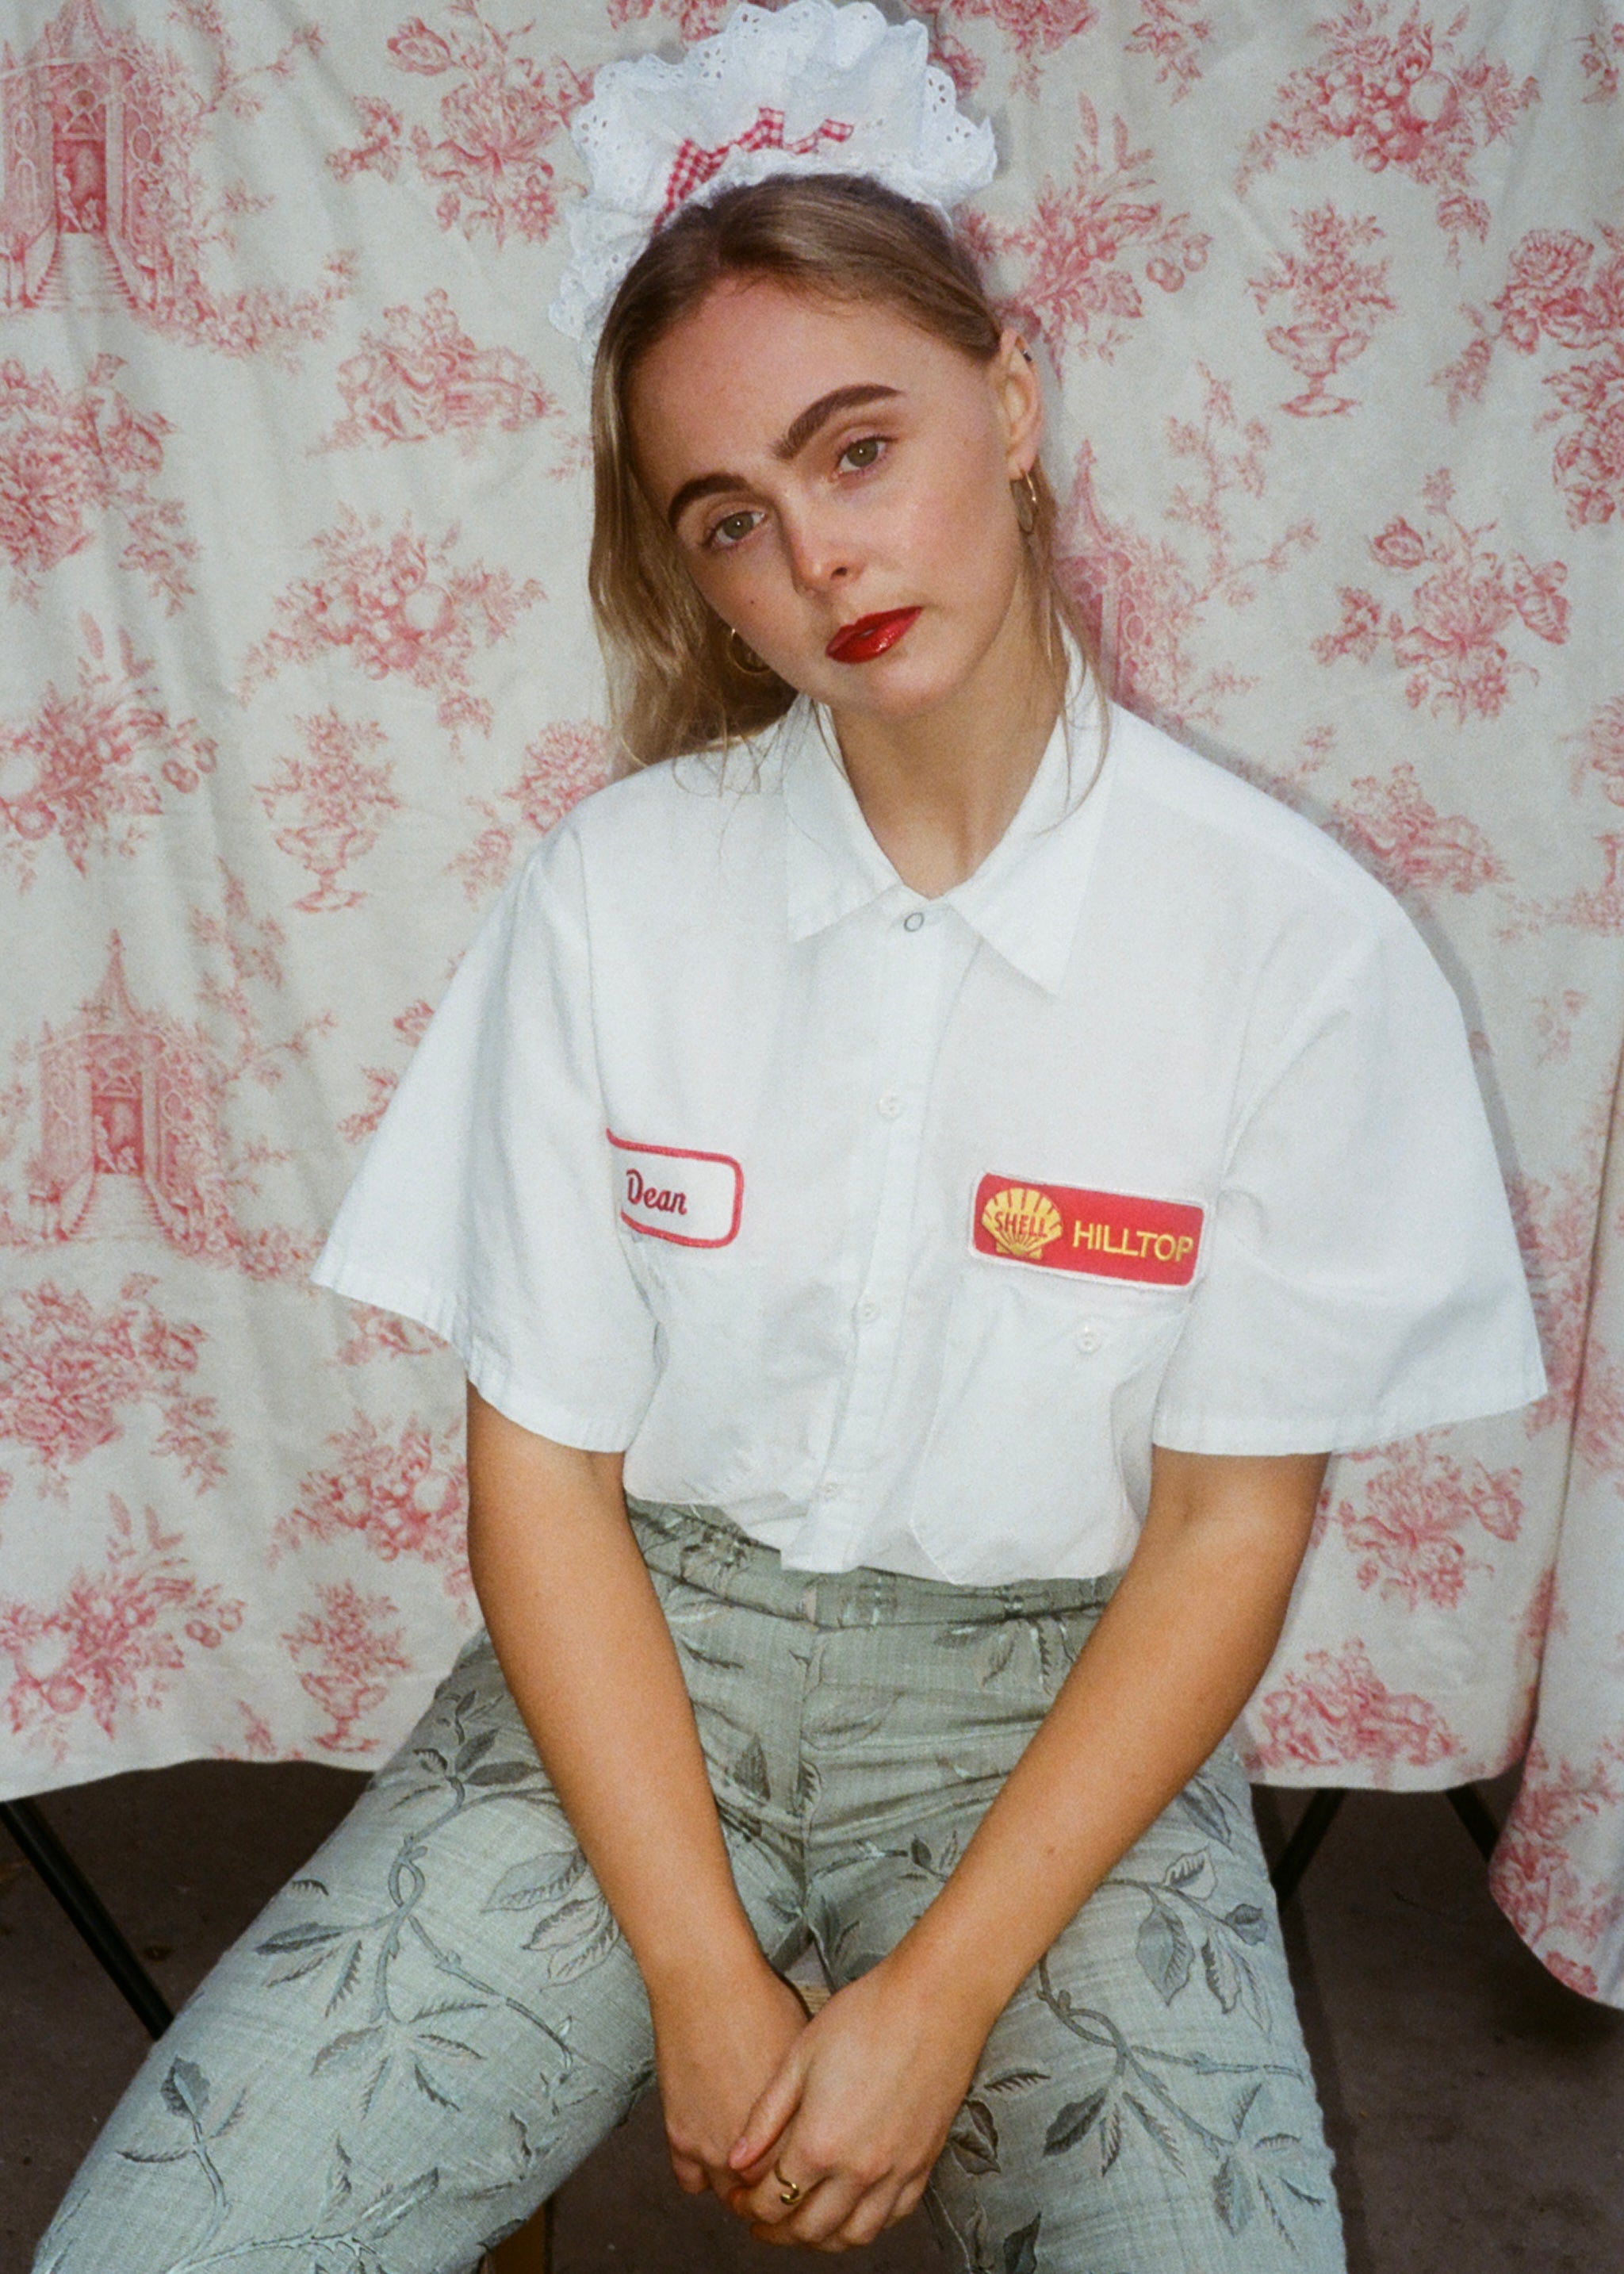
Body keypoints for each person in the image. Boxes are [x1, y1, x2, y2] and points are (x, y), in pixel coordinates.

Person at [35, 6, 1544, 2270]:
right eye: (732, 516)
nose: (820, 556)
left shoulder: (1293, 946)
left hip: (1066, 1697)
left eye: (862, 447)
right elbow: (538, 1470)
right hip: (652, 1664)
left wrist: (933, 2005)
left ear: (1012, 404)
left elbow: (1234, 1523)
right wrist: (699, 1977)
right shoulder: (610, 899)